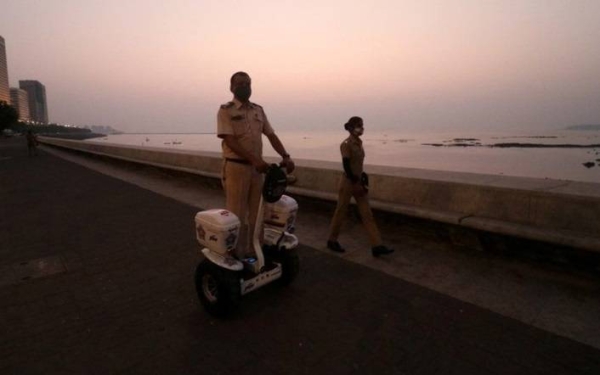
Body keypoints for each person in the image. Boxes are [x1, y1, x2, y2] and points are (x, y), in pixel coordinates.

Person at [217, 71, 295, 259]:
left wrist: (285, 155)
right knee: (237, 214)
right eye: (240, 83)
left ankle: (255, 251)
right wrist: (254, 160)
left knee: (258, 214)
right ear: (231, 87)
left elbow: (270, 134)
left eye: (248, 83)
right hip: (236, 168)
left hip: (256, 170)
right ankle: (236, 253)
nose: (244, 87)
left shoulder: (258, 110)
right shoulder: (226, 110)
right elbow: (229, 140)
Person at [327, 116, 394, 257]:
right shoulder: (346, 144)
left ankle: (377, 245)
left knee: (367, 214)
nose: (361, 128)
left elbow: (358, 165)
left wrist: (361, 180)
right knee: (341, 212)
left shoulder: (359, 143)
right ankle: (332, 240)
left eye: (362, 125)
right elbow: (346, 165)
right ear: (351, 128)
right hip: (348, 183)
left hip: (358, 182)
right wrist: (355, 182)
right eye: (358, 125)